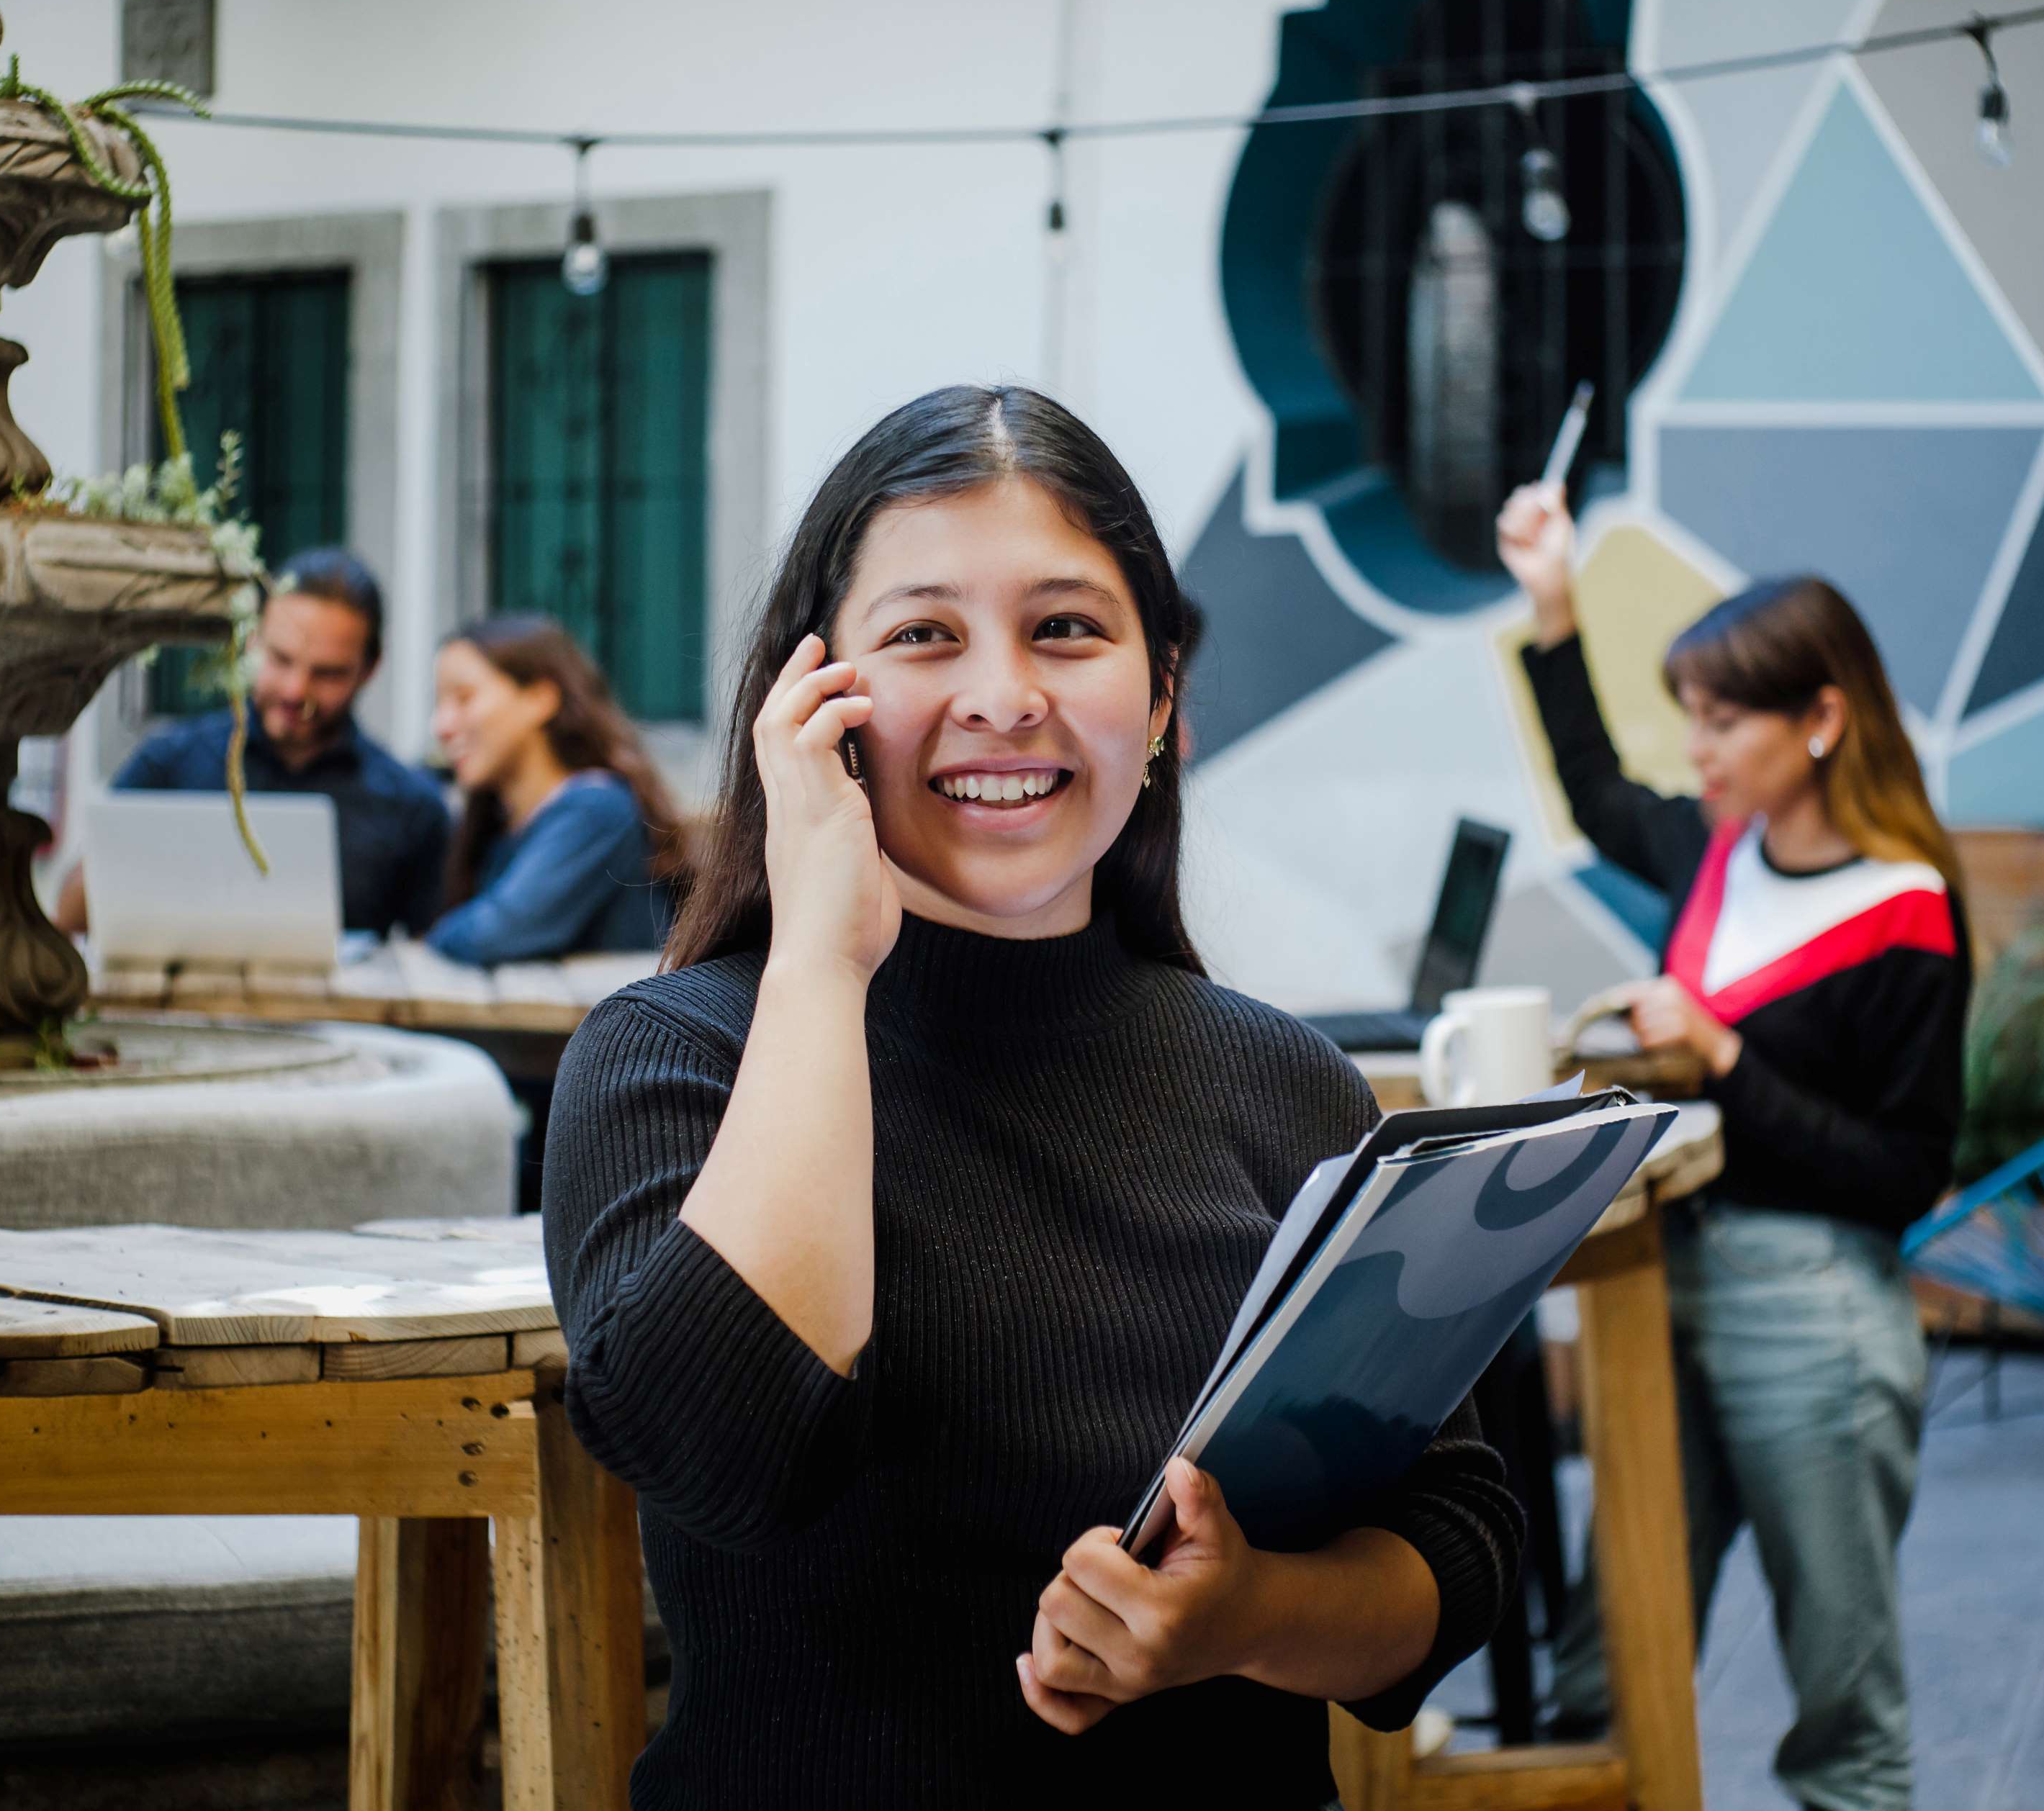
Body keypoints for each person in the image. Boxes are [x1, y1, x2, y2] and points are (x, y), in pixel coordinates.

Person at [541, 385, 1520, 1810]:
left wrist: (1249, 1615)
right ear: (813, 703)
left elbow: (1457, 1538)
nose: (1004, 694)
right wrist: (822, 955)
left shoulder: (1285, 1077)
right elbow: (723, 1454)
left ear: (1165, 692)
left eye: (1067, 626)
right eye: (925, 633)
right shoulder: (671, 1055)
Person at [1497, 482, 1968, 1811]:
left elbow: (1902, 1173)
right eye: (1691, 721)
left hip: (1817, 1315)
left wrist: (1722, 1062)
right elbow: (1598, 789)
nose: (1696, 750)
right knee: (1611, 1665)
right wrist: (1553, 600)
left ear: (1822, 720)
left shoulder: (1907, 911)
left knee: (1843, 1722)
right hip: (1672, 1281)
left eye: (1722, 722)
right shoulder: (1718, 853)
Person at [55, 548, 449, 940]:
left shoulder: (412, 807)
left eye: (327, 674)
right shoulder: (171, 761)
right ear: (251, 640)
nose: (297, 690)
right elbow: (70, 918)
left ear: (370, 670)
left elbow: (427, 964)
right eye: (280, 659)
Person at [425, 615, 686, 966]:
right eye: (440, 704)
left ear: (540, 698)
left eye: (465, 698)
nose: (441, 726)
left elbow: (494, 933)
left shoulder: (596, 809)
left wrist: (437, 934)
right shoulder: (501, 819)